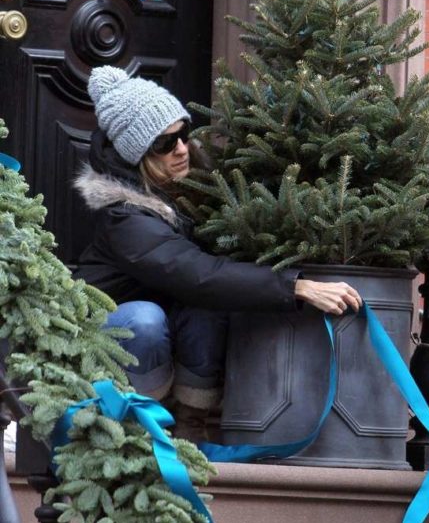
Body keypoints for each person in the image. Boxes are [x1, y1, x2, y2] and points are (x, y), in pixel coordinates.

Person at [74, 66, 362, 440]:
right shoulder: (125, 217)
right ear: (138, 155)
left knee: (207, 308)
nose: (181, 149)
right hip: (108, 338)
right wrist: (296, 287)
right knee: (145, 318)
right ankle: (142, 425)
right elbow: (196, 273)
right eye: (165, 143)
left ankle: (192, 423)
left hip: (170, 326)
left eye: (183, 134)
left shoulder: (195, 191)